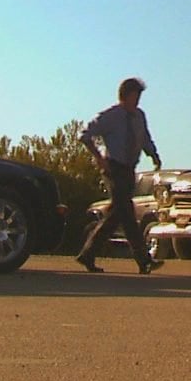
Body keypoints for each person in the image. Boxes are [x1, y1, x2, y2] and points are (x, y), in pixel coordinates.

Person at [75, 76, 164, 274]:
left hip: (129, 169)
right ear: (125, 96)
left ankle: (87, 254)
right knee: (127, 212)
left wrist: (154, 155)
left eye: (139, 96)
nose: (137, 100)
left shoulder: (139, 116)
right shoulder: (111, 116)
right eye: (135, 96)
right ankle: (144, 259)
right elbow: (85, 135)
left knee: (115, 215)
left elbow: (145, 138)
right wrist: (99, 157)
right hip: (113, 168)